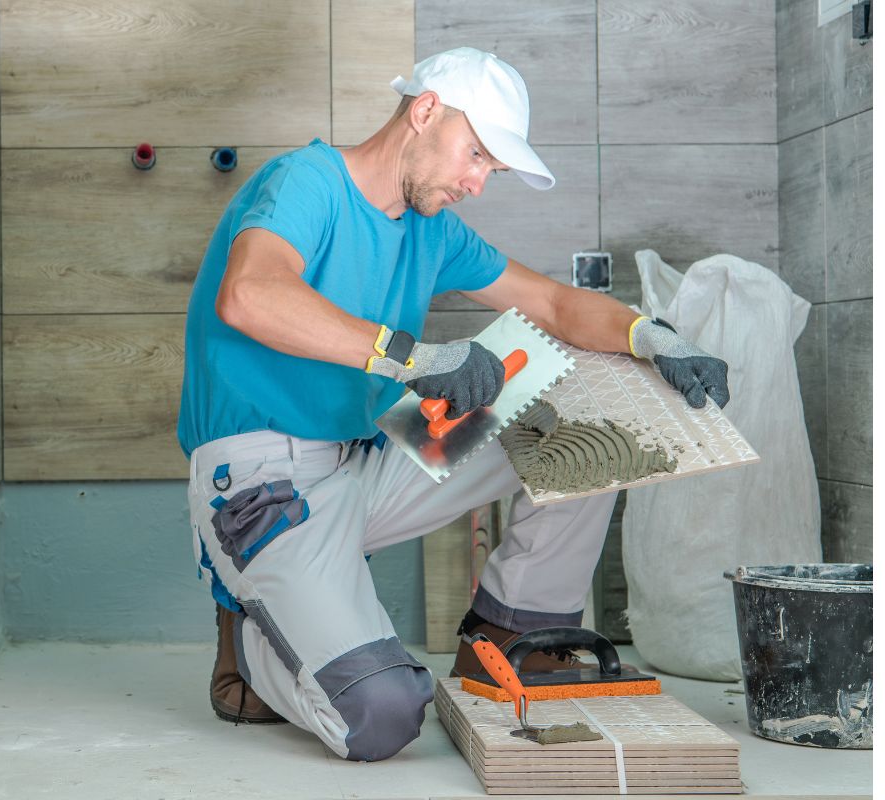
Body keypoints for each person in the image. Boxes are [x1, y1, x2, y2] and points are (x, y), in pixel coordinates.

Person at [177, 47, 729, 762]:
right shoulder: (305, 182)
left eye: (490, 170)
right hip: (262, 485)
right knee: (382, 715)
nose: (476, 182)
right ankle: (250, 644)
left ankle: (510, 631)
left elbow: (554, 304)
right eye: (477, 156)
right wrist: (420, 359)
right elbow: (251, 295)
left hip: (364, 461)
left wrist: (648, 336)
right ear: (425, 110)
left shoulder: (431, 227)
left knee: (578, 386)